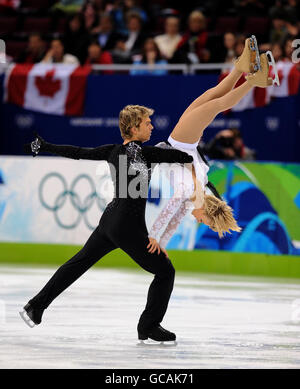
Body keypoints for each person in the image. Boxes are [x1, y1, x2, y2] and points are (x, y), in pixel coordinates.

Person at [20, 105, 194, 344]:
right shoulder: (148, 154)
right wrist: (191, 153)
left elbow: (78, 151)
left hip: (110, 221)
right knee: (165, 272)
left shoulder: (112, 151)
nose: (151, 126)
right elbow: (184, 157)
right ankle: (149, 325)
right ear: (134, 128)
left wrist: (45, 146)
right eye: (146, 123)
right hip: (128, 228)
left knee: (78, 263)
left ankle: (35, 306)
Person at [147, 37, 277, 254]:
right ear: (206, 211)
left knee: (214, 95)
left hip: (183, 142)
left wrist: (162, 243)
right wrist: (153, 236)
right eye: (205, 222)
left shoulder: (192, 198)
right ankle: (254, 80)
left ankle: (241, 68)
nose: (200, 223)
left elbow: (173, 222)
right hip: (183, 141)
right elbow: (166, 215)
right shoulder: (189, 193)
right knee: (218, 103)